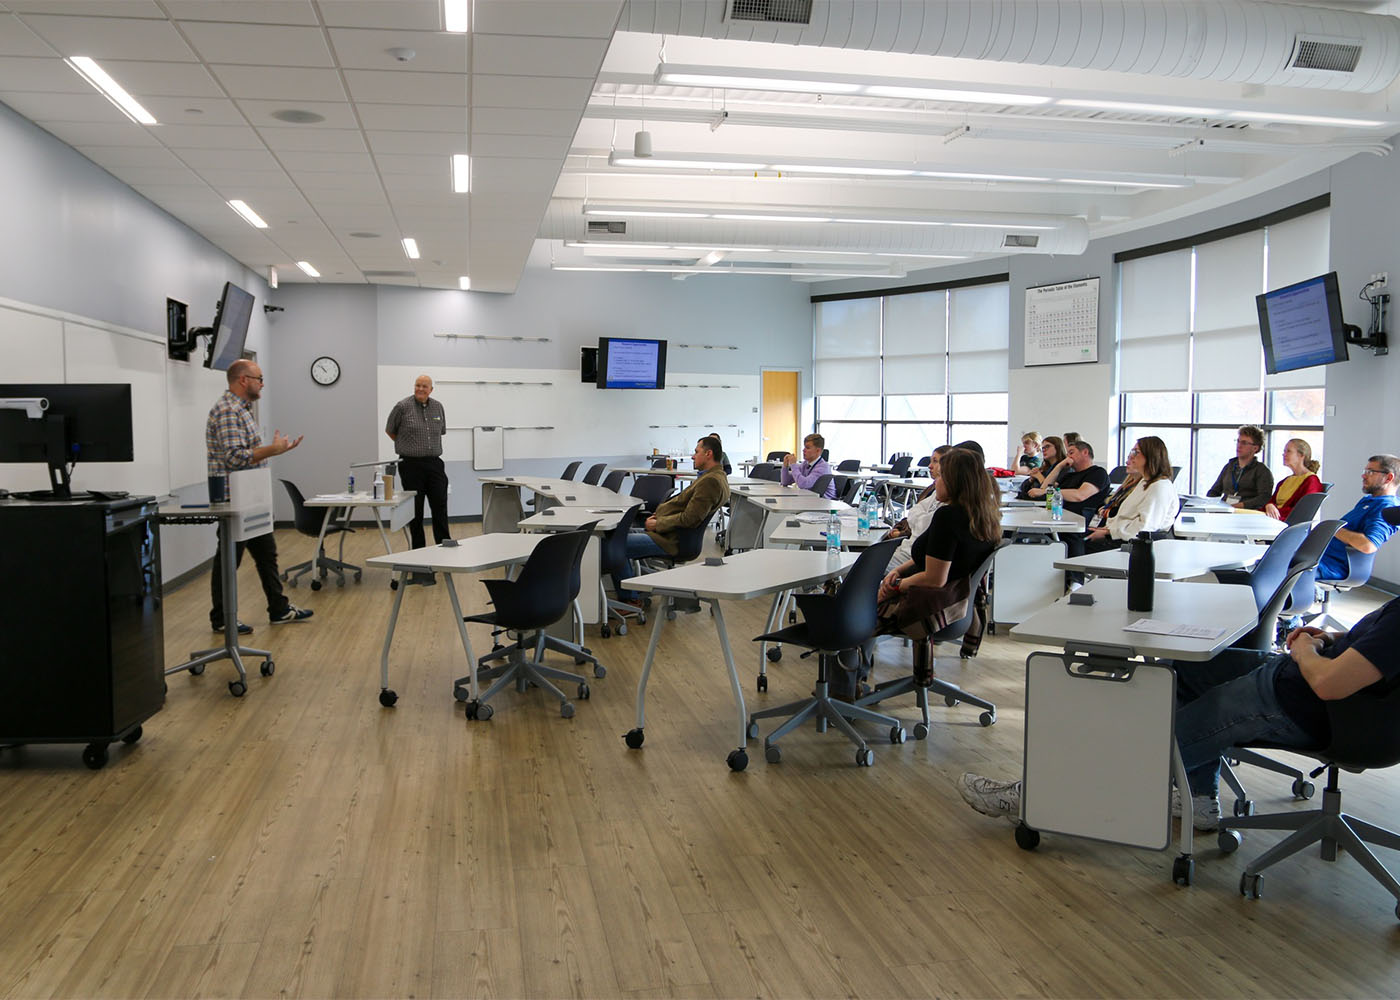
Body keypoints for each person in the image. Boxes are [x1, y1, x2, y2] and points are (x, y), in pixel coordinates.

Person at [958, 569, 1400, 832]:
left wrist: (1304, 650)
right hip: (1306, 691)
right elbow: (1376, 658)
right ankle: (1200, 800)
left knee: (1150, 736)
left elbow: (1329, 685)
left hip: (1299, 703)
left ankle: (1034, 797)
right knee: (1185, 667)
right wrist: (1339, 639)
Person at [874, 448, 1002, 689]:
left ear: (954, 481)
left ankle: (847, 684)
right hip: (956, 607)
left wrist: (895, 586)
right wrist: (899, 571)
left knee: (856, 609)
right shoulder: (984, 517)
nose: (936, 481)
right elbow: (937, 556)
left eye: (941, 476)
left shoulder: (948, 516)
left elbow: (935, 578)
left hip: (929, 607)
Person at [206, 359, 313, 633]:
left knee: (267, 555)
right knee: (229, 561)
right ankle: (221, 619)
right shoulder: (228, 411)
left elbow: (248, 454)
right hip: (234, 502)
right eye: (259, 378)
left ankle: (279, 609)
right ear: (243, 380)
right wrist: (272, 450)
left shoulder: (242, 410)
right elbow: (235, 458)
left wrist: (277, 450)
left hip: (251, 500)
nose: (262, 383)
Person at [617, 435, 730, 602]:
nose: (693, 456)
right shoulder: (711, 477)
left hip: (674, 540)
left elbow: (690, 519)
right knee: (619, 535)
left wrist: (658, 524)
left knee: (617, 546)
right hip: (671, 534)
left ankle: (630, 598)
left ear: (709, 454)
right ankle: (634, 587)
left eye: (696, 452)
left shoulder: (710, 482)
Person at [385, 374, 451, 558]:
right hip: (411, 465)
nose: (420, 389)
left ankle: (445, 550)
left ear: (431, 390)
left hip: (435, 464)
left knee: (440, 506)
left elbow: (441, 431)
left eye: (424, 386)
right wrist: (407, 446)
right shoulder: (402, 407)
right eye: (417, 385)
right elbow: (390, 430)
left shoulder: (438, 407)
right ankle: (419, 554)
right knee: (416, 511)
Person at [1028, 439, 1111, 580]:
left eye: (1072, 453)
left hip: (1082, 521)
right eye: (1067, 454)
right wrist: (1060, 466)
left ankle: (1075, 580)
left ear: (1085, 452)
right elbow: (1044, 487)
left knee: (1069, 536)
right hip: (1060, 517)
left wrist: (1048, 492)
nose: (1069, 457)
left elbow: (1080, 495)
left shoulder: (1098, 473)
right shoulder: (1070, 474)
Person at [1081, 435, 1178, 555]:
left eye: (1136, 452)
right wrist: (1108, 530)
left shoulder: (1160, 487)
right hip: (1122, 537)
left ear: (1150, 456)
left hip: (1134, 545)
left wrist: (1110, 532)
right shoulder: (1144, 483)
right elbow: (1125, 516)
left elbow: (1145, 526)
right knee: (1076, 539)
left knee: (1079, 544)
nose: (1131, 456)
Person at [1315, 453, 1400, 582]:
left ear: (1388, 478)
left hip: (1333, 567)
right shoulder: (1369, 500)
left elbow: (1368, 545)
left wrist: (1332, 529)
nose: (1364, 475)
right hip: (1320, 557)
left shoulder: (1386, 508)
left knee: (1279, 569)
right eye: (1365, 471)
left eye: (1370, 472)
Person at [1206, 424, 1273, 510]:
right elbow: (1214, 491)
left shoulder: (1262, 471)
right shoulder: (1229, 467)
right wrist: (1208, 504)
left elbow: (1264, 498)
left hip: (1246, 512)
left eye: (1244, 443)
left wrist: (1241, 505)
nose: (1239, 445)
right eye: (1238, 441)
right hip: (1225, 509)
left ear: (1255, 448)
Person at [1264, 438, 1324, 521]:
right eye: (1284, 451)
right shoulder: (1284, 481)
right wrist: (1269, 505)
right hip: (1273, 518)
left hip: (1286, 523)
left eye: (1288, 451)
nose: (1284, 454)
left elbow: (1302, 511)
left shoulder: (1311, 481)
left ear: (1301, 456)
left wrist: (1274, 510)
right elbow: (1271, 502)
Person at [780, 433, 835, 498]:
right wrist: (785, 466)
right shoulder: (805, 464)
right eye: (804, 447)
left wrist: (794, 465)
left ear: (818, 450)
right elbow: (785, 482)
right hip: (810, 500)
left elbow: (803, 484)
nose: (803, 450)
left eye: (807, 448)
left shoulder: (823, 467)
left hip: (824, 503)